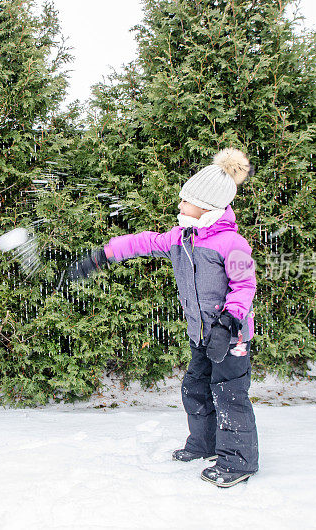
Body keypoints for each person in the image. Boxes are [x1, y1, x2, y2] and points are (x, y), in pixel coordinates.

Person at [67, 149, 259, 488]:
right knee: (195, 389)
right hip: (200, 334)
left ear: (208, 206)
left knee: (230, 397)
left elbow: (245, 284)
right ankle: (205, 444)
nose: (180, 207)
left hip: (231, 338)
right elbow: (144, 242)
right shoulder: (182, 238)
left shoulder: (233, 242)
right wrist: (103, 256)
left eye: (186, 202)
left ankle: (238, 461)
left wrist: (230, 320)